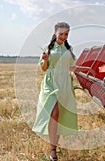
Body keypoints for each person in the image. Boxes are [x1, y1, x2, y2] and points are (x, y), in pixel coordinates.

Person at [32, 22, 94, 161]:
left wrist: (86, 69)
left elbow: (71, 68)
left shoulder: (68, 49)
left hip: (65, 84)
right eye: (61, 34)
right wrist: (46, 60)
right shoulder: (47, 48)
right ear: (55, 33)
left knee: (59, 116)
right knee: (54, 113)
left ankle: (53, 146)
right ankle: (53, 150)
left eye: (66, 34)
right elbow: (44, 69)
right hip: (51, 83)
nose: (64, 37)